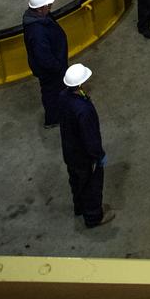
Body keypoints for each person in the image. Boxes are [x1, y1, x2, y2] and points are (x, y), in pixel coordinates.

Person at [57, 62, 113, 228]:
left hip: (69, 151)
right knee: (91, 185)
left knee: (76, 180)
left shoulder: (63, 96)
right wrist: (98, 156)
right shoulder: (83, 110)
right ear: (80, 84)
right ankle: (93, 217)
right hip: (84, 156)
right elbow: (90, 137)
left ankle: (79, 208)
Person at [22, 0, 68, 128]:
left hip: (54, 66)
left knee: (55, 91)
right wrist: (59, 67)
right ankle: (53, 119)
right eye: (48, 5)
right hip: (50, 70)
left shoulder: (40, 18)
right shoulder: (37, 32)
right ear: (40, 8)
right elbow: (44, 58)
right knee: (51, 93)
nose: (50, 6)